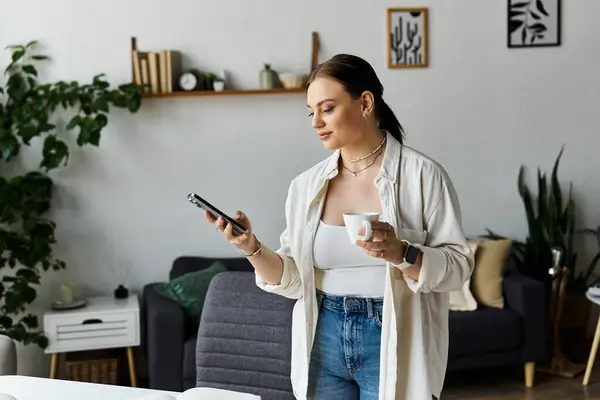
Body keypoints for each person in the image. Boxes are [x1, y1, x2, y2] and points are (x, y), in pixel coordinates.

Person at [205, 54, 474, 400]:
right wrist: (250, 247)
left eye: (327, 108)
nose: (315, 122)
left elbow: (458, 267)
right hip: (324, 334)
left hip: (392, 335)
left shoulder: (422, 177)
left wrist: (402, 252)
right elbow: (293, 280)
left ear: (364, 102)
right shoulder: (305, 186)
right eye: (310, 112)